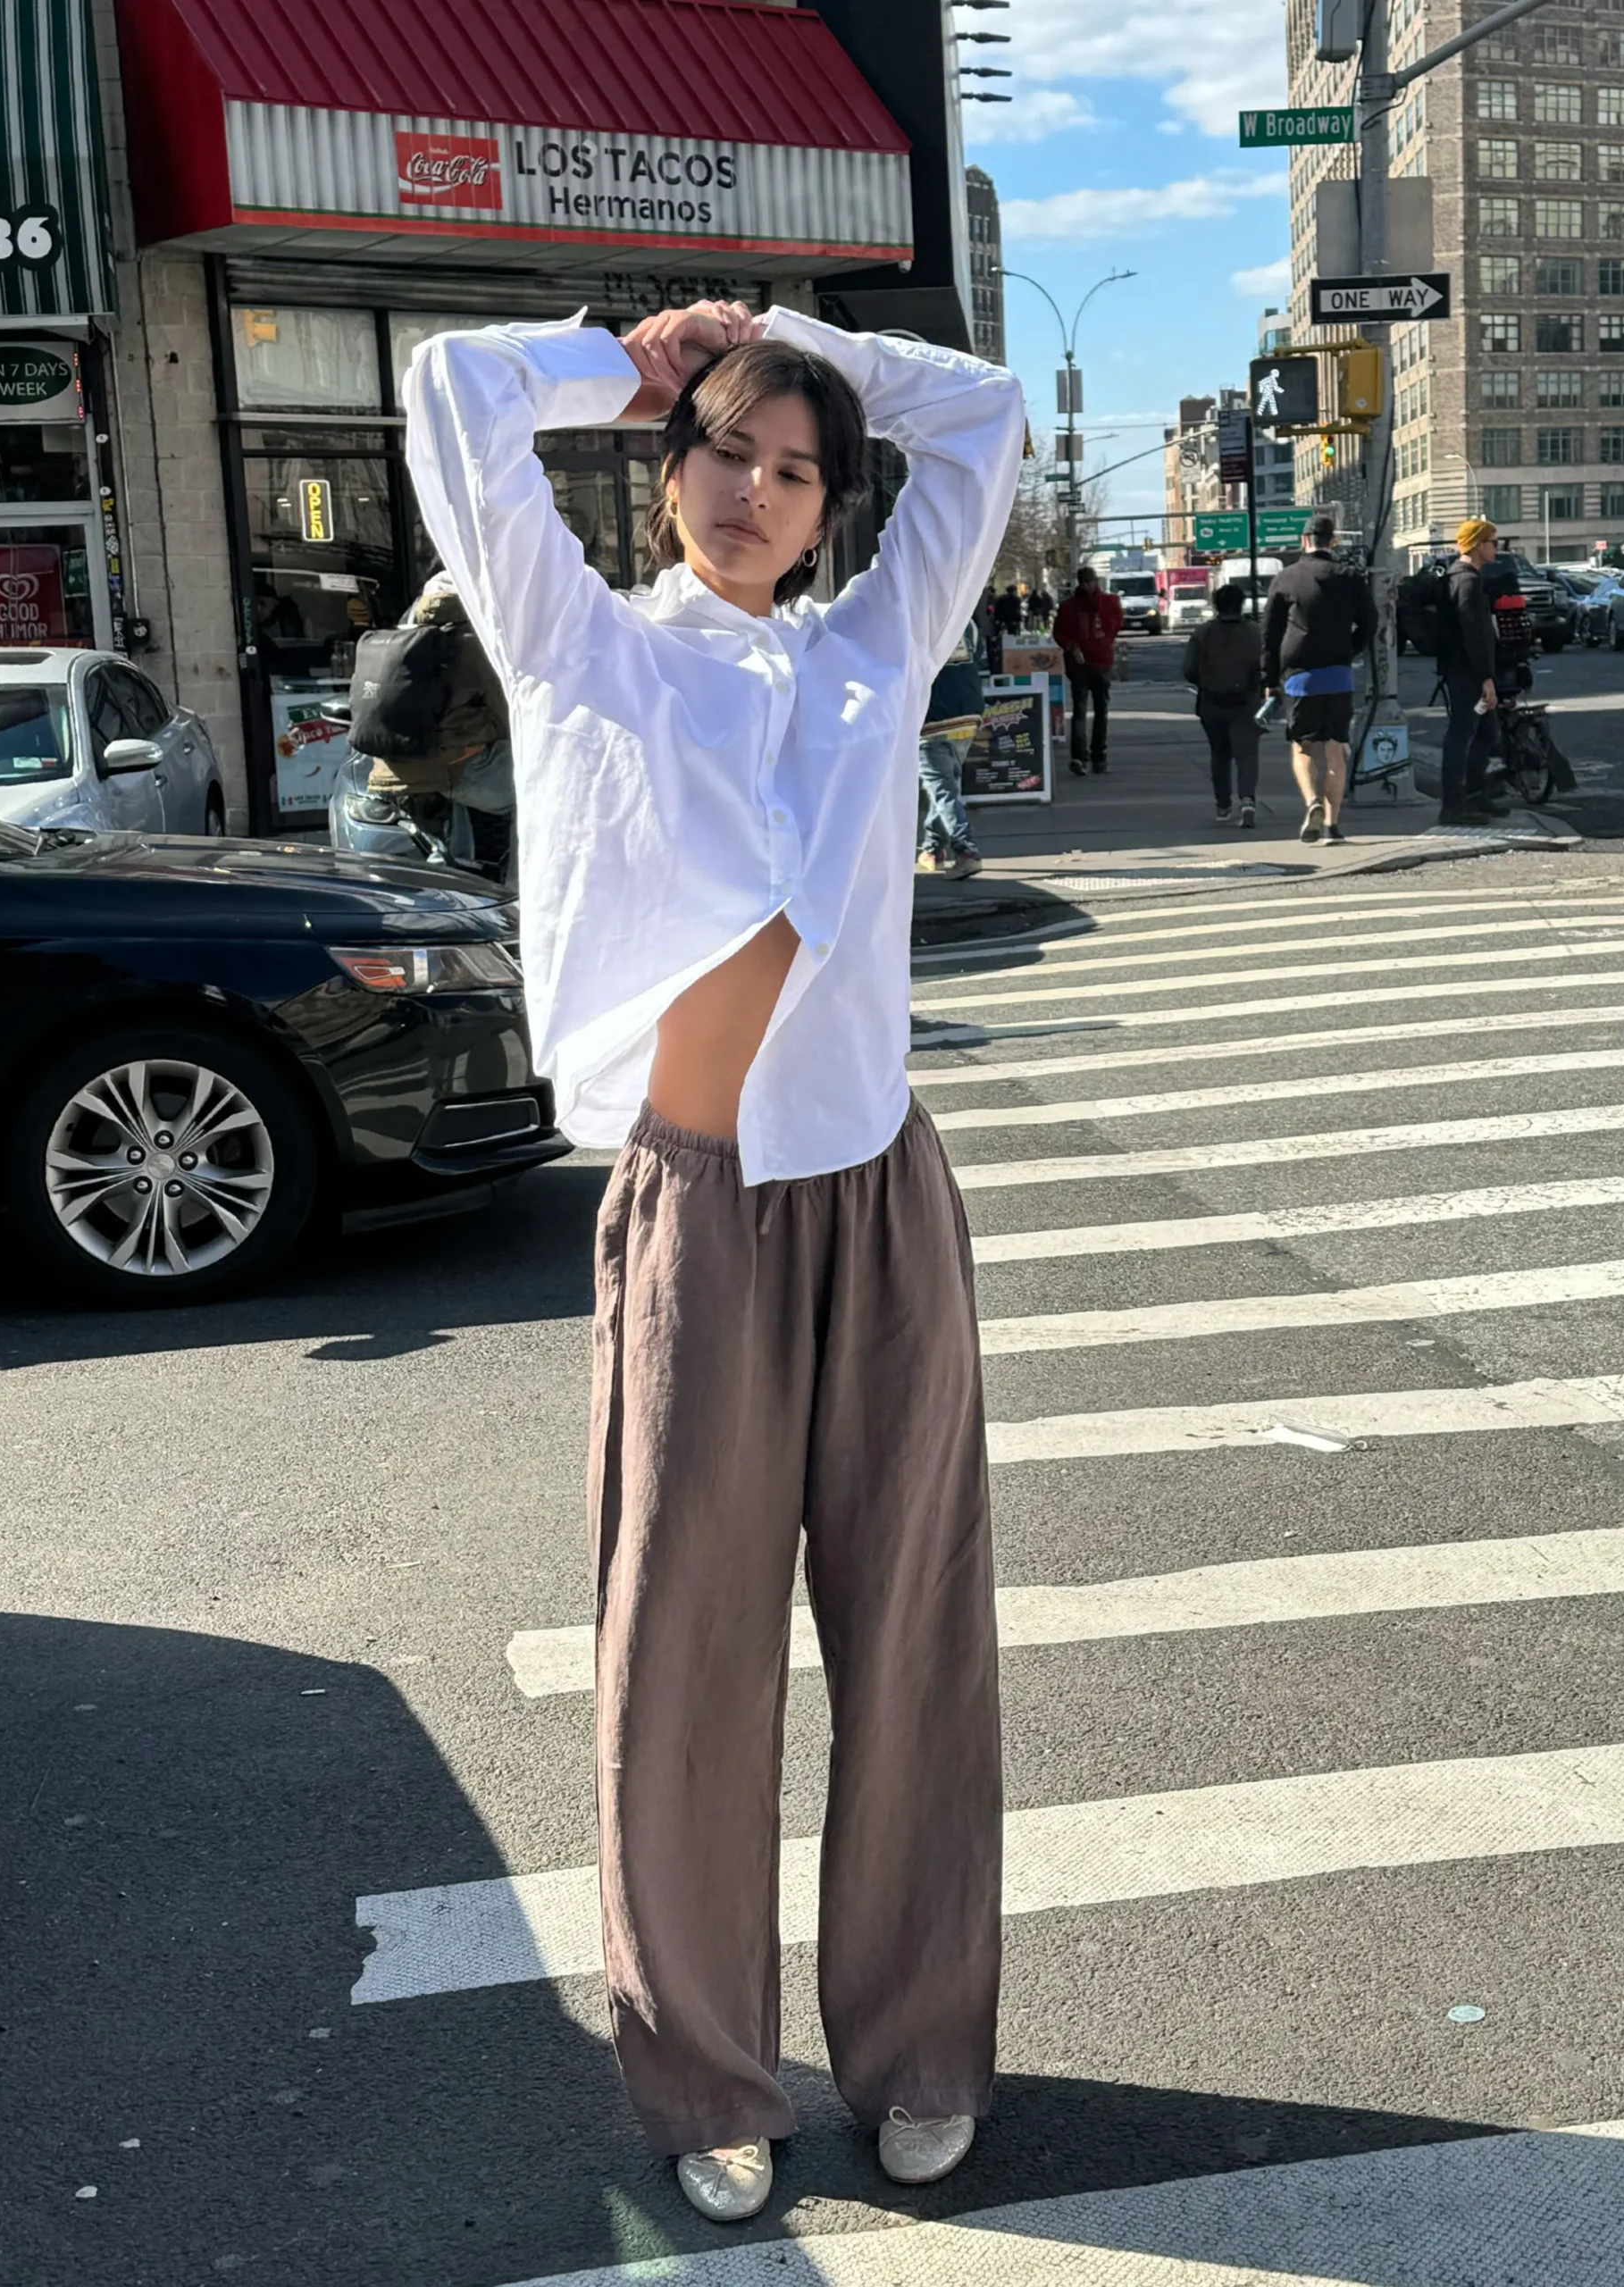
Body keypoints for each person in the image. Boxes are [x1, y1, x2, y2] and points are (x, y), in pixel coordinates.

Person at [406, 297, 1023, 2224]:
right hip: (694, 1202)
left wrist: (799, 339)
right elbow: (452, 395)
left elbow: (986, 413)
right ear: (667, 473)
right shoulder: (583, 641)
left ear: (832, 508)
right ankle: (706, 2075)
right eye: (728, 452)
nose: (757, 488)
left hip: (877, 1190)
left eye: (797, 467)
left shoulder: (870, 652)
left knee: (914, 1638)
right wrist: (638, 359)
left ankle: (922, 2050)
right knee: (682, 1653)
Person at [1260, 513, 1377, 844]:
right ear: (1332, 541)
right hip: (1339, 674)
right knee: (1336, 750)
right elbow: (1370, 623)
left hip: (1301, 675)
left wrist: (1269, 678)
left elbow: (1269, 634)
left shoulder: (1286, 578)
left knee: (1303, 747)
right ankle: (1332, 824)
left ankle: (1311, 801)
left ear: (1304, 541)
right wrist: (1349, 649)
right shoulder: (1350, 577)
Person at [1436, 516, 1502, 827]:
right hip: (1468, 676)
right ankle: (1453, 806)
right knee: (1462, 735)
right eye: (1493, 542)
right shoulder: (1467, 583)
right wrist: (1486, 678)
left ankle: (1476, 796)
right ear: (1477, 545)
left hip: (1466, 672)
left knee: (1486, 732)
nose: (1497, 548)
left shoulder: (1459, 577)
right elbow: (1474, 634)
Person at [1182, 582, 1263, 827]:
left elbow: (1189, 669)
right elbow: (1267, 665)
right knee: (1247, 753)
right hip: (1246, 700)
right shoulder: (1255, 632)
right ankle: (1247, 800)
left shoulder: (1203, 633)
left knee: (1219, 754)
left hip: (1212, 701)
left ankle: (1223, 804)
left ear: (1216, 605)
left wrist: (1205, 682)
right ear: (1241, 605)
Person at [917, 607, 986, 877]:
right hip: (969, 712)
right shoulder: (966, 620)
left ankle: (966, 850)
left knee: (942, 790)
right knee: (945, 785)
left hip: (934, 715)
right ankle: (933, 848)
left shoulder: (914, 621)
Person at [1054, 564, 1123, 775]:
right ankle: (1081, 757)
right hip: (1080, 663)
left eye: (1090, 582)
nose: (1087, 586)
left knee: (1098, 710)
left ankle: (1097, 756)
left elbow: (1117, 624)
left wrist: (1104, 641)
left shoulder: (1109, 602)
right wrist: (1071, 647)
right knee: (1081, 711)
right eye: (1084, 582)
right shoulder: (1069, 607)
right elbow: (1059, 633)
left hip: (1099, 662)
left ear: (1096, 582)